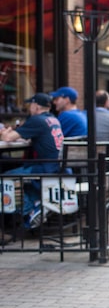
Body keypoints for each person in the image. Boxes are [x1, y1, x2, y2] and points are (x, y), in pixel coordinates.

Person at [0, 93, 64, 228]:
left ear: (36, 106)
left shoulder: (37, 120)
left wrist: (5, 130)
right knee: (20, 174)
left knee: (4, 179)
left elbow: (7, 138)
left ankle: (30, 210)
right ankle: (38, 203)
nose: (29, 108)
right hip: (54, 166)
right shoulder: (52, 119)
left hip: (44, 168)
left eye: (31, 105)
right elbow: (29, 136)